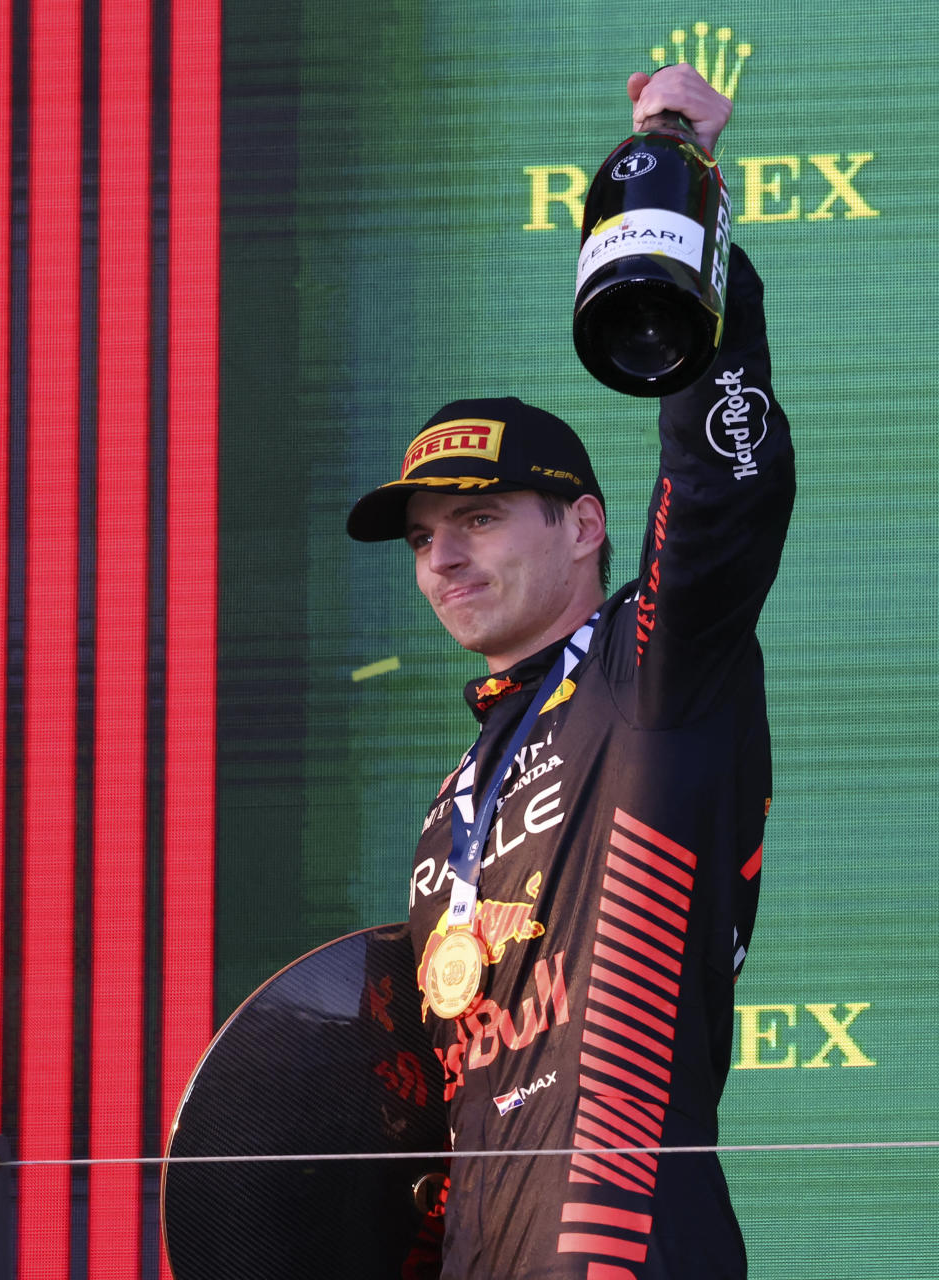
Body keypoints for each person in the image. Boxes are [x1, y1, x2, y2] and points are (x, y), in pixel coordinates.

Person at [347, 64, 795, 1280]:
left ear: (587, 526)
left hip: (623, 1248)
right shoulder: (455, 792)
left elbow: (719, 494)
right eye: (425, 538)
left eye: (481, 517)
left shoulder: (654, 666)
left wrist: (686, 218)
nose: (445, 558)